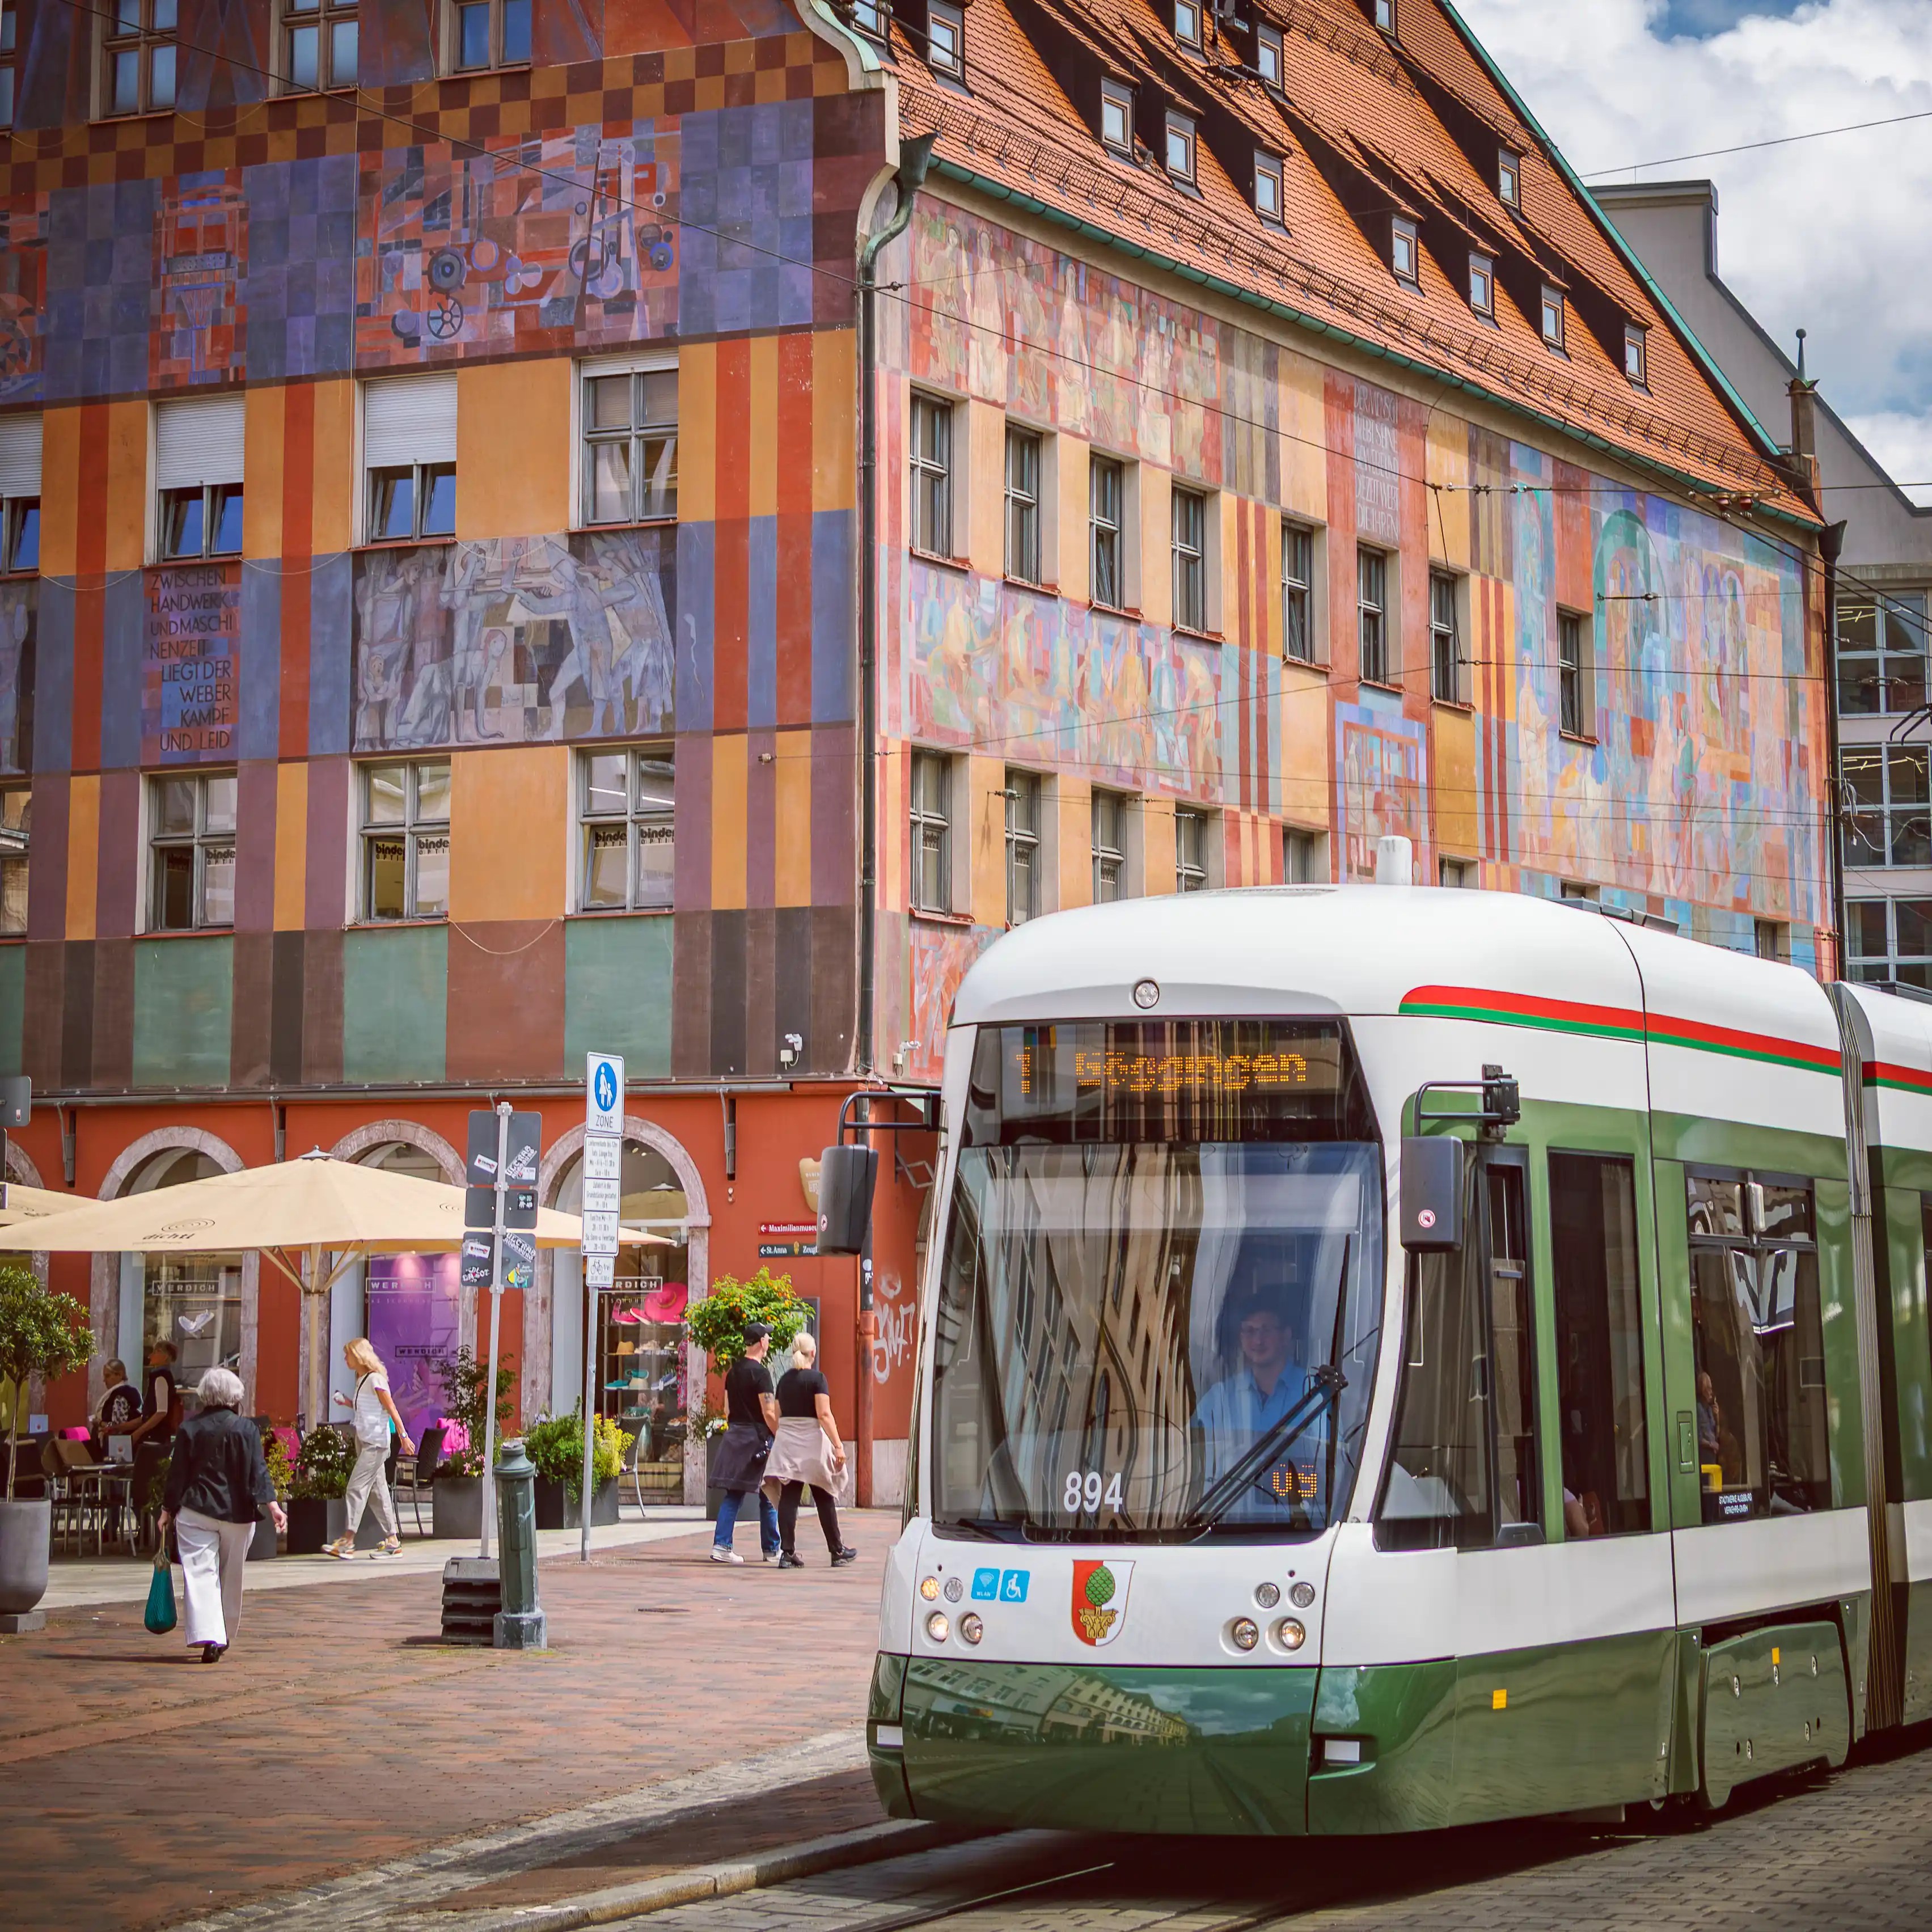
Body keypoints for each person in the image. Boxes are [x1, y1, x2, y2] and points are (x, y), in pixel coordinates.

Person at [159, 1367, 285, 1662]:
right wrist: (273, 1505)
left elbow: (177, 1475)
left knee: (201, 1575)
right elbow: (258, 1472)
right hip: (237, 1514)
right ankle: (223, 1635)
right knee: (232, 1576)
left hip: (196, 1511)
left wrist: (167, 1509)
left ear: (205, 1394)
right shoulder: (247, 1429)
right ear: (235, 1395)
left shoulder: (189, 1429)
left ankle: (210, 1634)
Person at [1193, 1297, 1310, 1516]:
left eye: (1266, 1330)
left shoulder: (1313, 1391)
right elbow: (1192, 1464)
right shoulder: (1218, 1398)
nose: (1258, 1340)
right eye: (1249, 1331)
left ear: (1286, 1336)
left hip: (1300, 1528)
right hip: (1225, 1524)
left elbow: (1328, 1468)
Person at [763, 1331, 857, 1569]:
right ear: (812, 1353)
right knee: (824, 1494)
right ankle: (837, 1551)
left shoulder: (784, 1380)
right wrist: (838, 1445)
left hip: (788, 1443)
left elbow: (776, 1414)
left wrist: (783, 1435)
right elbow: (824, 1414)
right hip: (812, 1443)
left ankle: (787, 1554)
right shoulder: (818, 1379)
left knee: (790, 1498)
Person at [327, 1338, 414, 1558]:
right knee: (377, 1492)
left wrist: (403, 1436)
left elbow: (391, 1407)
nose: (345, 1359)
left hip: (375, 1444)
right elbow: (368, 1408)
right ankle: (393, 1540)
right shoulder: (362, 1380)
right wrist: (347, 1402)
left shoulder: (375, 1379)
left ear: (359, 1356)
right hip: (366, 1441)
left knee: (355, 1488)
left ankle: (348, 1541)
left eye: (348, 1355)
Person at [710, 1322, 780, 1566]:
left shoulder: (733, 1372)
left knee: (734, 1493)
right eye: (767, 1338)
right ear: (761, 1342)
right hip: (758, 1438)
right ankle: (772, 1550)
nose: (769, 1341)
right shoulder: (762, 1374)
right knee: (769, 1492)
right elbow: (769, 1412)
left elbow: (727, 1410)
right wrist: (779, 1436)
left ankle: (722, 1545)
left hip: (735, 1436)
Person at [92, 1359, 142, 1460]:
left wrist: (100, 1423)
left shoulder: (121, 1395)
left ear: (119, 1375)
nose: (104, 1380)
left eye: (108, 1376)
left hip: (118, 1447)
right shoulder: (125, 1392)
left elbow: (118, 1427)